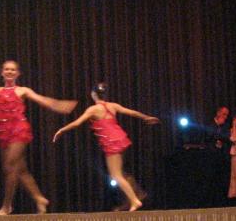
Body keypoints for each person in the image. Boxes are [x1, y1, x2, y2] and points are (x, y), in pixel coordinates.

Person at [0, 60, 76, 215]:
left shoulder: (23, 90)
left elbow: (43, 100)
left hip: (19, 130)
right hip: (3, 133)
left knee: (9, 167)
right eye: (7, 69)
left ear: (17, 73)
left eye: (12, 70)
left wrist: (59, 105)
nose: (9, 72)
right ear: (2, 73)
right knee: (20, 170)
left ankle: (6, 206)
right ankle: (39, 198)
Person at [53, 82, 159, 211]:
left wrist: (61, 130)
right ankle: (137, 195)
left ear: (93, 94)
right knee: (121, 172)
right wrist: (146, 117)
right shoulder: (112, 106)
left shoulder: (93, 109)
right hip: (121, 139)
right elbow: (131, 112)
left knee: (116, 175)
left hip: (111, 142)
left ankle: (134, 200)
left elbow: (77, 123)